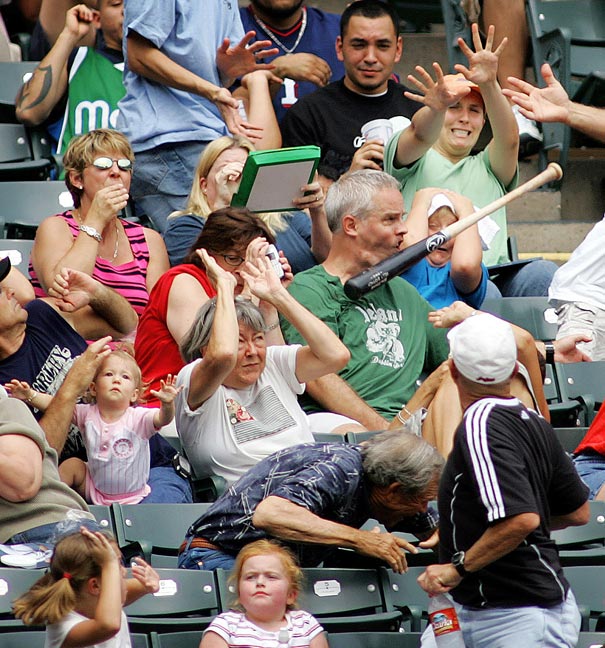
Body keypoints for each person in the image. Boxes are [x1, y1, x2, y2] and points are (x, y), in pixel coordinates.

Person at [417, 312, 589, 648]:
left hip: (515, 612)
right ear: (513, 370)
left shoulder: (480, 419)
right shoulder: (535, 422)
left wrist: (457, 569)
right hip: (493, 607)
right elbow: (576, 512)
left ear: (452, 370)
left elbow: (522, 518)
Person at [385, 23, 558, 297]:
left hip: (491, 276)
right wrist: (437, 107)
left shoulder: (489, 167)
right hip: (424, 278)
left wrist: (490, 84)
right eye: (455, 107)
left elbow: (510, 138)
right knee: (486, 292)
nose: (465, 118)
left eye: (474, 110)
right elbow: (419, 134)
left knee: (543, 274)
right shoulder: (413, 158)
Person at [0, 263, 191, 503]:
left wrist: (97, 294)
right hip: (82, 487)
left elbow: (126, 324)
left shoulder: (41, 315)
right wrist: (72, 387)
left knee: (151, 520)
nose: (11, 292)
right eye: (0, 291)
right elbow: (38, 465)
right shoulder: (3, 390)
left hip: (150, 470)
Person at [281, 169, 450, 432]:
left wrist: (473, 321)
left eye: (401, 218)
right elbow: (318, 377)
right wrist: (386, 432)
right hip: (338, 427)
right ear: (351, 225)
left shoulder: (404, 292)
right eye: (390, 219)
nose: (403, 229)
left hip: (412, 426)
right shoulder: (309, 289)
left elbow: (455, 356)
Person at [175, 249, 350, 485]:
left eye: (258, 338)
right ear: (206, 349)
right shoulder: (194, 380)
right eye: (239, 341)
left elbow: (335, 356)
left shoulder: (274, 364)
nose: (252, 351)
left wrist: (278, 295)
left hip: (310, 478)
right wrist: (225, 288)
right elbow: (223, 356)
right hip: (250, 496)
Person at [178, 429, 444, 572]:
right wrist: (361, 539)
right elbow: (270, 514)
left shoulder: (388, 483)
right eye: (422, 501)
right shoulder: (341, 468)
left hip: (276, 567)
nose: (423, 509)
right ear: (394, 490)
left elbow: (433, 529)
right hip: (218, 554)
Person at [117, 0, 279, 232]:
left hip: (206, 136)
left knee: (250, 241)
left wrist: (227, 71)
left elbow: (214, 75)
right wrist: (211, 90)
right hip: (169, 141)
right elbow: (138, 54)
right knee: (221, 247)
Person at [135, 207, 285, 413]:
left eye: (252, 261)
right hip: (169, 410)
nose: (243, 270)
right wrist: (250, 295)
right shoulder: (182, 281)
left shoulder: (245, 293)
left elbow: (276, 368)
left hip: (234, 407)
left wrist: (270, 302)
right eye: (234, 259)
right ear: (207, 255)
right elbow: (220, 361)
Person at [29, 129, 169, 326]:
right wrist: (96, 220)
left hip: (135, 349)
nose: (115, 172)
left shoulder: (149, 240)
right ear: (77, 179)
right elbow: (65, 289)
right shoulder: (55, 227)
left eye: (124, 165)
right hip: (72, 349)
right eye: (103, 165)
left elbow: (159, 317)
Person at [8, 349, 182, 505]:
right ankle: (50, 499)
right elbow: (57, 404)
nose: (116, 379)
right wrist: (30, 395)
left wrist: (167, 404)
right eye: (108, 374)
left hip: (133, 497)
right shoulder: (86, 414)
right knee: (73, 465)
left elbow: (163, 419)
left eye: (125, 377)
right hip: (95, 490)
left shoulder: (138, 418)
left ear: (134, 394)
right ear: (93, 388)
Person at [280, 0, 422, 182]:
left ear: (398, 49)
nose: (370, 57)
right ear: (339, 48)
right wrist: (349, 177)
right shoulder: (308, 114)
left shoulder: (419, 111)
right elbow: (295, 198)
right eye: (359, 45)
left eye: (382, 46)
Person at [163, 134, 331, 274]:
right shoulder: (185, 226)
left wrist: (317, 211)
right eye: (226, 170)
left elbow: (329, 260)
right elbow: (204, 279)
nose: (235, 178)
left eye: (245, 171)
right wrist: (223, 203)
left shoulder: (285, 217)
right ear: (204, 185)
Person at [13, 526, 160, 647]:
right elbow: (108, 626)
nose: (124, 571)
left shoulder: (101, 600)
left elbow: (124, 592)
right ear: (95, 585)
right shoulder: (66, 627)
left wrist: (145, 586)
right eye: (118, 565)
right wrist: (109, 565)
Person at [16, 1, 125, 154]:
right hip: (76, 175)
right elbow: (28, 112)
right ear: (97, 19)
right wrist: (69, 35)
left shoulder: (165, 70)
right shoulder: (78, 59)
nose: (127, 10)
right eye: (116, 4)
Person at [201, 539, 328, 648]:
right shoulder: (225, 626)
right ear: (239, 593)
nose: (260, 582)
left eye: (271, 577)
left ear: (291, 595)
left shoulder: (306, 624)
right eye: (250, 577)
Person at [239, 0, 344, 124]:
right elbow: (231, 111)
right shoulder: (228, 29)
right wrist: (276, 71)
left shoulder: (341, 28)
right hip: (259, 142)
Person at [400, 188, 487, 309]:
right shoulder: (406, 263)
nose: (442, 236)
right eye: (433, 226)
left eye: (453, 229)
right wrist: (421, 205)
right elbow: (408, 247)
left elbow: (465, 265)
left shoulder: (468, 265)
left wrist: (467, 212)